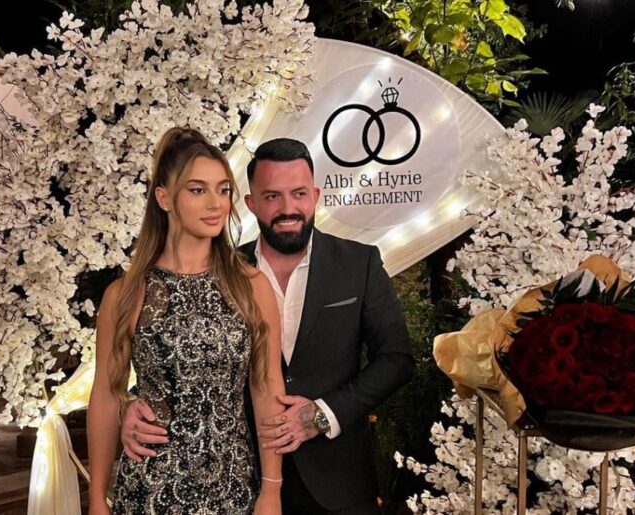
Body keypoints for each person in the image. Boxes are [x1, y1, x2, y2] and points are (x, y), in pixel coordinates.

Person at [121, 137, 414, 514]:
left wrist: (323, 414)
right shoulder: (218, 274)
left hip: (339, 483)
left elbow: (396, 360)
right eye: (272, 196)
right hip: (240, 482)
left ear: (315, 196)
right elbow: (177, 355)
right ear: (250, 203)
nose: (288, 208)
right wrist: (130, 405)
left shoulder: (359, 263)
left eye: (299, 194)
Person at [88, 127, 286, 515]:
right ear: (164, 198)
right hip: (149, 490)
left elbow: (266, 388)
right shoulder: (126, 294)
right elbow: (106, 396)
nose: (216, 204)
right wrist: (97, 498)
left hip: (232, 490)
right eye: (197, 190)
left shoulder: (251, 286)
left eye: (223, 190)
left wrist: (272, 490)